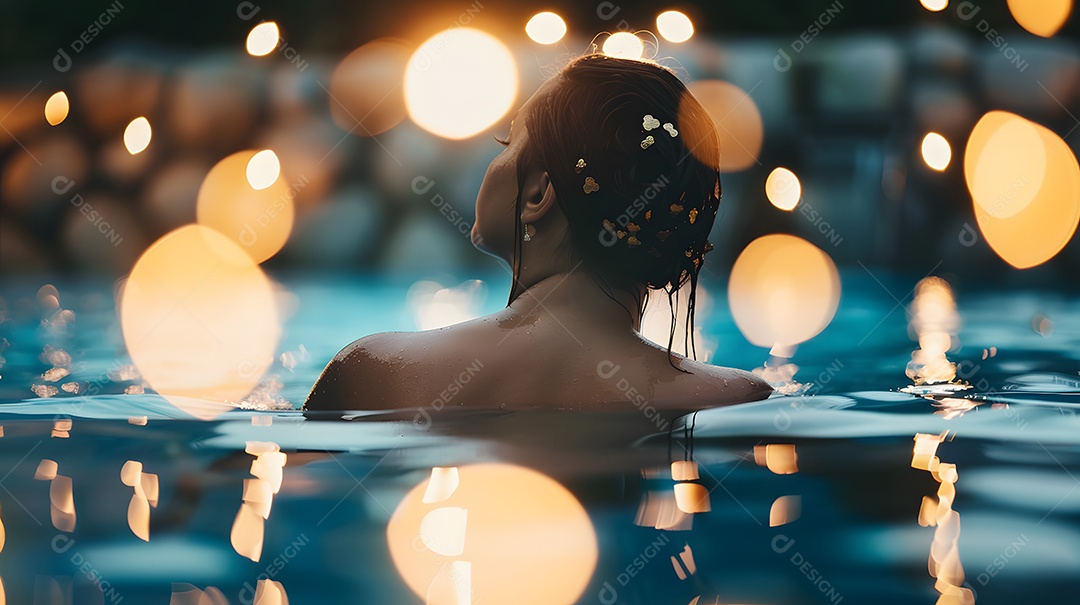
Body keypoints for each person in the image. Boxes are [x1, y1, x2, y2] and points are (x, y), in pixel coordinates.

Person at [305, 53, 772, 412]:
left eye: (508, 143)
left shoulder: (374, 371)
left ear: (537, 194)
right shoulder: (734, 398)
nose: (496, 160)